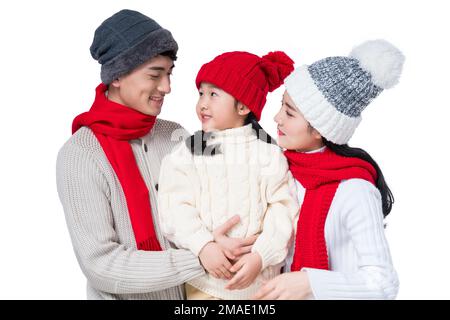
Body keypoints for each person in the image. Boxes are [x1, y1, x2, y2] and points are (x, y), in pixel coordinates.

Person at [56, 9, 238, 300]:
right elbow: (101, 265)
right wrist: (201, 257)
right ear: (116, 76)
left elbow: (229, 185)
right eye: (155, 75)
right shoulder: (80, 155)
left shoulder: (177, 134)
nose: (166, 87)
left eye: (168, 74)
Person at [254, 39, 404, 299]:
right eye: (281, 106)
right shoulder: (278, 169)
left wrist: (309, 282)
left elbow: (383, 283)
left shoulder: (355, 190)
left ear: (321, 130)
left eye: (290, 113)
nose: (277, 118)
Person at [157, 51, 300, 299]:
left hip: (261, 286)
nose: (203, 103)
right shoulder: (190, 150)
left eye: (213, 94)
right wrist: (203, 245)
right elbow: (173, 206)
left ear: (243, 105)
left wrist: (261, 256)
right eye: (201, 93)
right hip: (204, 286)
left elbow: (284, 211)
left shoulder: (268, 154)